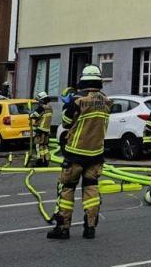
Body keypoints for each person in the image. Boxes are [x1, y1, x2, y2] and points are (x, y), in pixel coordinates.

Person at [48, 65, 111, 240]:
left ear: (83, 80)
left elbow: (66, 122)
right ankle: (90, 227)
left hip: (75, 154)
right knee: (91, 190)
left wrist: (68, 103)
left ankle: (63, 228)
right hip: (96, 154)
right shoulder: (107, 101)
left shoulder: (78, 100)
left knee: (67, 189)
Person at [29, 91, 53, 167]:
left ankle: (39, 162)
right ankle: (46, 161)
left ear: (42, 100)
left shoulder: (41, 108)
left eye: (39, 101)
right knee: (44, 146)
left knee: (38, 146)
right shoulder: (50, 108)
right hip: (47, 130)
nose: (38, 102)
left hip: (40, 130)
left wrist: (30, 113)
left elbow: (34, 116)